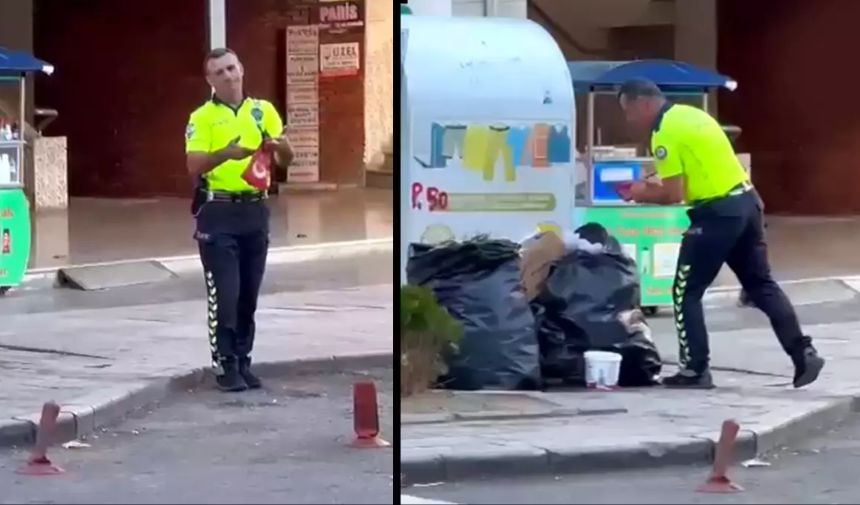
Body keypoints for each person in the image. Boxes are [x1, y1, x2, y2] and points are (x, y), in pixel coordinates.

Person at [615, 78, 824, 389]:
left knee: (686, 291)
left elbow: (674, 193)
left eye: (628, 111)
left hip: (715, 214)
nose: (629, 119)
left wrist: (639, 192)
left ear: (642, 103)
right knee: (760, 284)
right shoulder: (693, 115)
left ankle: (694, 369)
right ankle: (803, 352)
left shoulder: (663, 132)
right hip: (747, 202)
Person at [185, 48, 294, 392]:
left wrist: (279, 149)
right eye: (219, 72)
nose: (228, 76)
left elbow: (287, 159)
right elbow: (194, 165)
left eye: (231, 68)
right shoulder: (201, 117)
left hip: (255, 210)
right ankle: (225, 363)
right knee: (226, 294)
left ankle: (244, 358)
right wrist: (224, 155)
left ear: (242, 69)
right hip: (218, 213)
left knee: (249, 294)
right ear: (210, 80)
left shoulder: (263, 112)